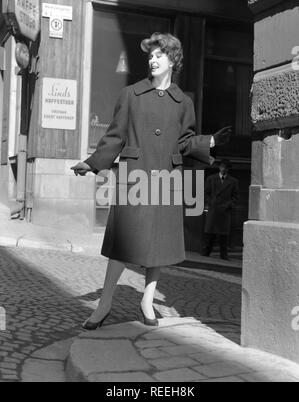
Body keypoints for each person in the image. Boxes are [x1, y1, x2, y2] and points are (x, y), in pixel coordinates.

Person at [71, 33, 232, 330]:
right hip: (135, 176)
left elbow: (184, 142)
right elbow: (115, 136)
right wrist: (93, 163)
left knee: (157, 244)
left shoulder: (184, 102)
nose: (153, 60)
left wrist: (208, 141)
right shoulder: (131, 94)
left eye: (159, 55)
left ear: (173, 60)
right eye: (150, 56)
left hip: (167, 178)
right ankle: (104, 303)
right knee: (124, 242)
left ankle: (147, 300)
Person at [203, 159, 239, 260]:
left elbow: (235, 197)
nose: (223, 169)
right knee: (210, 232)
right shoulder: (211, 179)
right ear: (219, 167)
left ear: (228, 169)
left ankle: (224, 254)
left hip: (224, 211)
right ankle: (207, 251)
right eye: (222, 167)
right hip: (214, 209)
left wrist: (228, 205)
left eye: (226, 167)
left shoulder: (233, 181)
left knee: (223, 234)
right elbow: (206, 193)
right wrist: (211, 203)